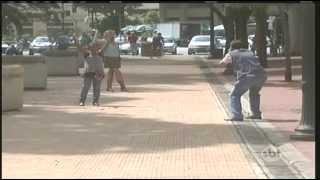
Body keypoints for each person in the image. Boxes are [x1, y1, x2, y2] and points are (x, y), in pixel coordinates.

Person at [219, 40, 267, 121]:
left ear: (232, 47)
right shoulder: (250, 52)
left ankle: (237, 115)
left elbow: (222, 63)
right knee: (254, 93)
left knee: (234, 95)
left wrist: (228, 55)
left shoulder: (232, 53)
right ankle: (256, 114)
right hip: (261, 75)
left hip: (247, 76)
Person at [79, 42, 105, 106]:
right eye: (92, 48)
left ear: (98, 48)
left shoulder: (100, 54)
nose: (94, 49)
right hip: (88, 73)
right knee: (85, 87)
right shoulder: (87, 54)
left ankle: (95, 101)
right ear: (89, 49)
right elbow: (79, 48)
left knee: (97, 88)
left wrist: (108, 41)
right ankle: (82, 100)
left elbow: (105, 46)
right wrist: (76, 41)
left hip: (98, 73)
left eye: (95, 48)